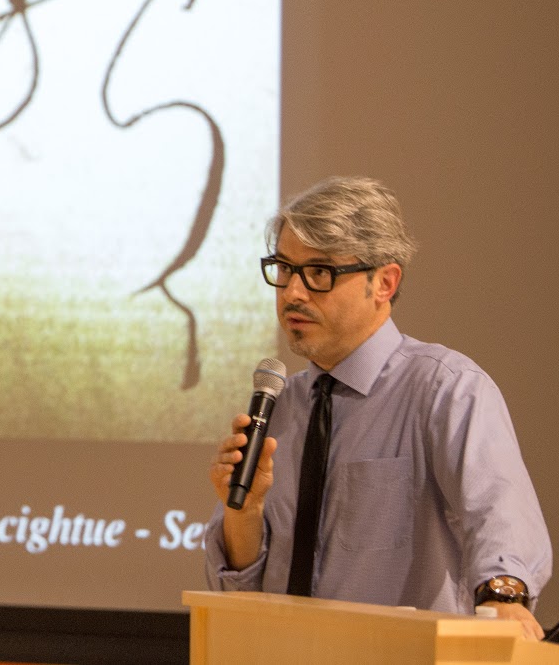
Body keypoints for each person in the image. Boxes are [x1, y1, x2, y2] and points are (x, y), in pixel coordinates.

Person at [205, 176, 551, 639]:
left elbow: (498, 513)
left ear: (384, 282)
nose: (293, 293)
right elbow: (240, 591)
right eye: (284, 269)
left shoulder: (445, 390)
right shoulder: (279, 406)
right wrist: (244, 514)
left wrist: (504, 598)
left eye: (320, 273)